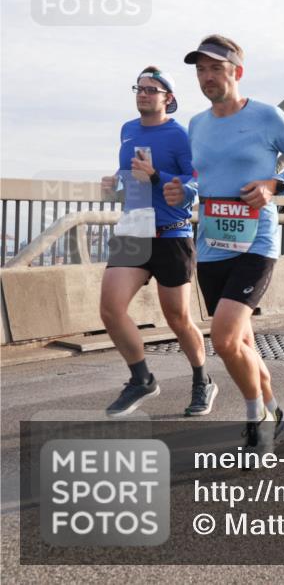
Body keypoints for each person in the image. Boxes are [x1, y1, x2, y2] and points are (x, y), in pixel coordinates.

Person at [165, 35, 284, 455]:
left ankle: (257, 423)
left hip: (256, 243)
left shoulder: (268, 117)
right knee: (242, 346)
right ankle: (275, 412)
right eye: (200, 69)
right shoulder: (196, 124)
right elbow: (199, 179)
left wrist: (274, 184)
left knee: (226, 339)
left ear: (237, 72)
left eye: (215, 68)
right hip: (212, 244)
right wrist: (182, 191)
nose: (206, 77)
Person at [100, 67, 214, 418]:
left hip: (171, 233)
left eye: (152, 89)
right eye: (139, 87)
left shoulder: (180, 136)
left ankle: (202, 381)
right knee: (110, 309)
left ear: (169, 98)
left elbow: (195, 185)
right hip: (134, 231)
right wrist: (115, 185)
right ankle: (142, 379)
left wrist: (157, 176)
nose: (143, 93)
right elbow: (128, 177)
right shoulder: (128, 130)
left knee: (178, 318)